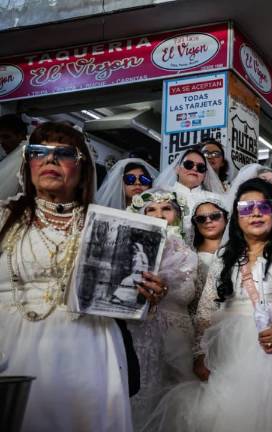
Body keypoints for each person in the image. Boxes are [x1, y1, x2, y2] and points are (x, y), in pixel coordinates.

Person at [0, 122, 167, 431]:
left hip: (91, 347)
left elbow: (122, 298)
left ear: (82, 169)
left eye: (63, 153)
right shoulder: (3, 217)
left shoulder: (111, 227)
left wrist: (147, 295)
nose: (50, 160)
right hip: (11, 347)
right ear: (27, 164)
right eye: (39, 152)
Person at [142, 178, 272, 431]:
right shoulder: (225, 257)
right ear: (237, 216)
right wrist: (199, 354)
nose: (255, 213)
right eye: (247, 208)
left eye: (263, 207)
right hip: (228, 349)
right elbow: (205, 309)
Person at [126, 188, 199, 427]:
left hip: (176, 337)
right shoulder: (129, 250)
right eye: (151, 209)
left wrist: (166, 289)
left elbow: (188, 295)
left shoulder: (187, 254)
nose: (159, 214)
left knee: (176, 399)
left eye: (166, 208)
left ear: (177, 215)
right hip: (137, 332)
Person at [154, 148, 225, 206]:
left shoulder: (215, 200)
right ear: (177, 169)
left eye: (200, 167)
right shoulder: (160, 195)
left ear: (204, 175)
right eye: (188, 164)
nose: (194, 169)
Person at [189, 193, 229, 292]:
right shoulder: (189, 253)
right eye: (201, 219)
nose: (208, 221)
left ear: (226, 218)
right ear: (195, 223)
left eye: (214, 216)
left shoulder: (239, 248)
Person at [94, 158, 159, 209]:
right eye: (130, 178)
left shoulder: (155, 212)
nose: (138, 183)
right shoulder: (105, 209)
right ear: (119, 182)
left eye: (144, 179)